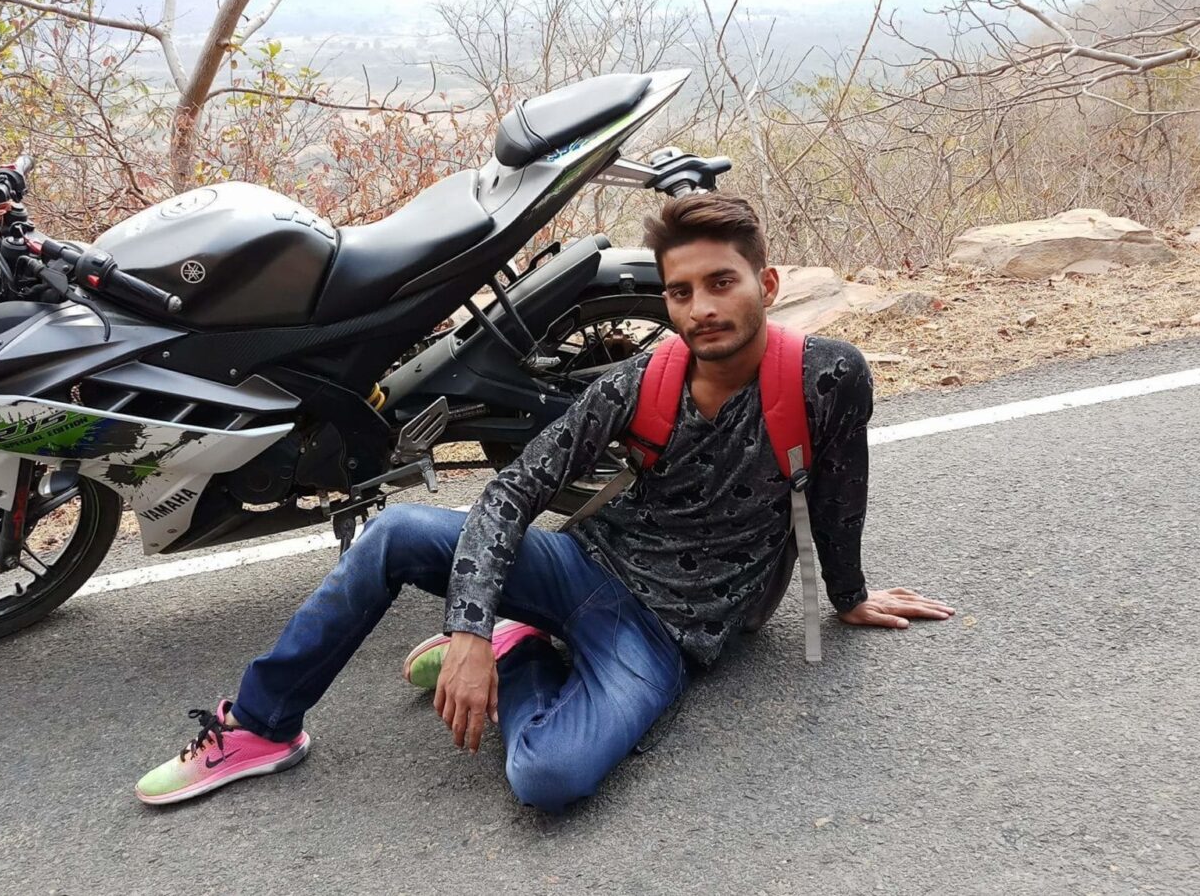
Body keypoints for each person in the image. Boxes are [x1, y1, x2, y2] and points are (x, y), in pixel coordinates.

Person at [134, 192, 955, 812]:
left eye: (721, 284)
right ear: (664, 300)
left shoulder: (827, 376)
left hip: (671, 631)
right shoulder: (643, 379)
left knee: (546, 778)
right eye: (680, 292)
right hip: (583, 564)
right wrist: (463, 629)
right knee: (391, 536)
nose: (701, 309)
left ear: (765, 284)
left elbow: (843, 493)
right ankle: (260, 724)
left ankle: (520, 651)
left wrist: (847, 598)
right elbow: (512, 491)